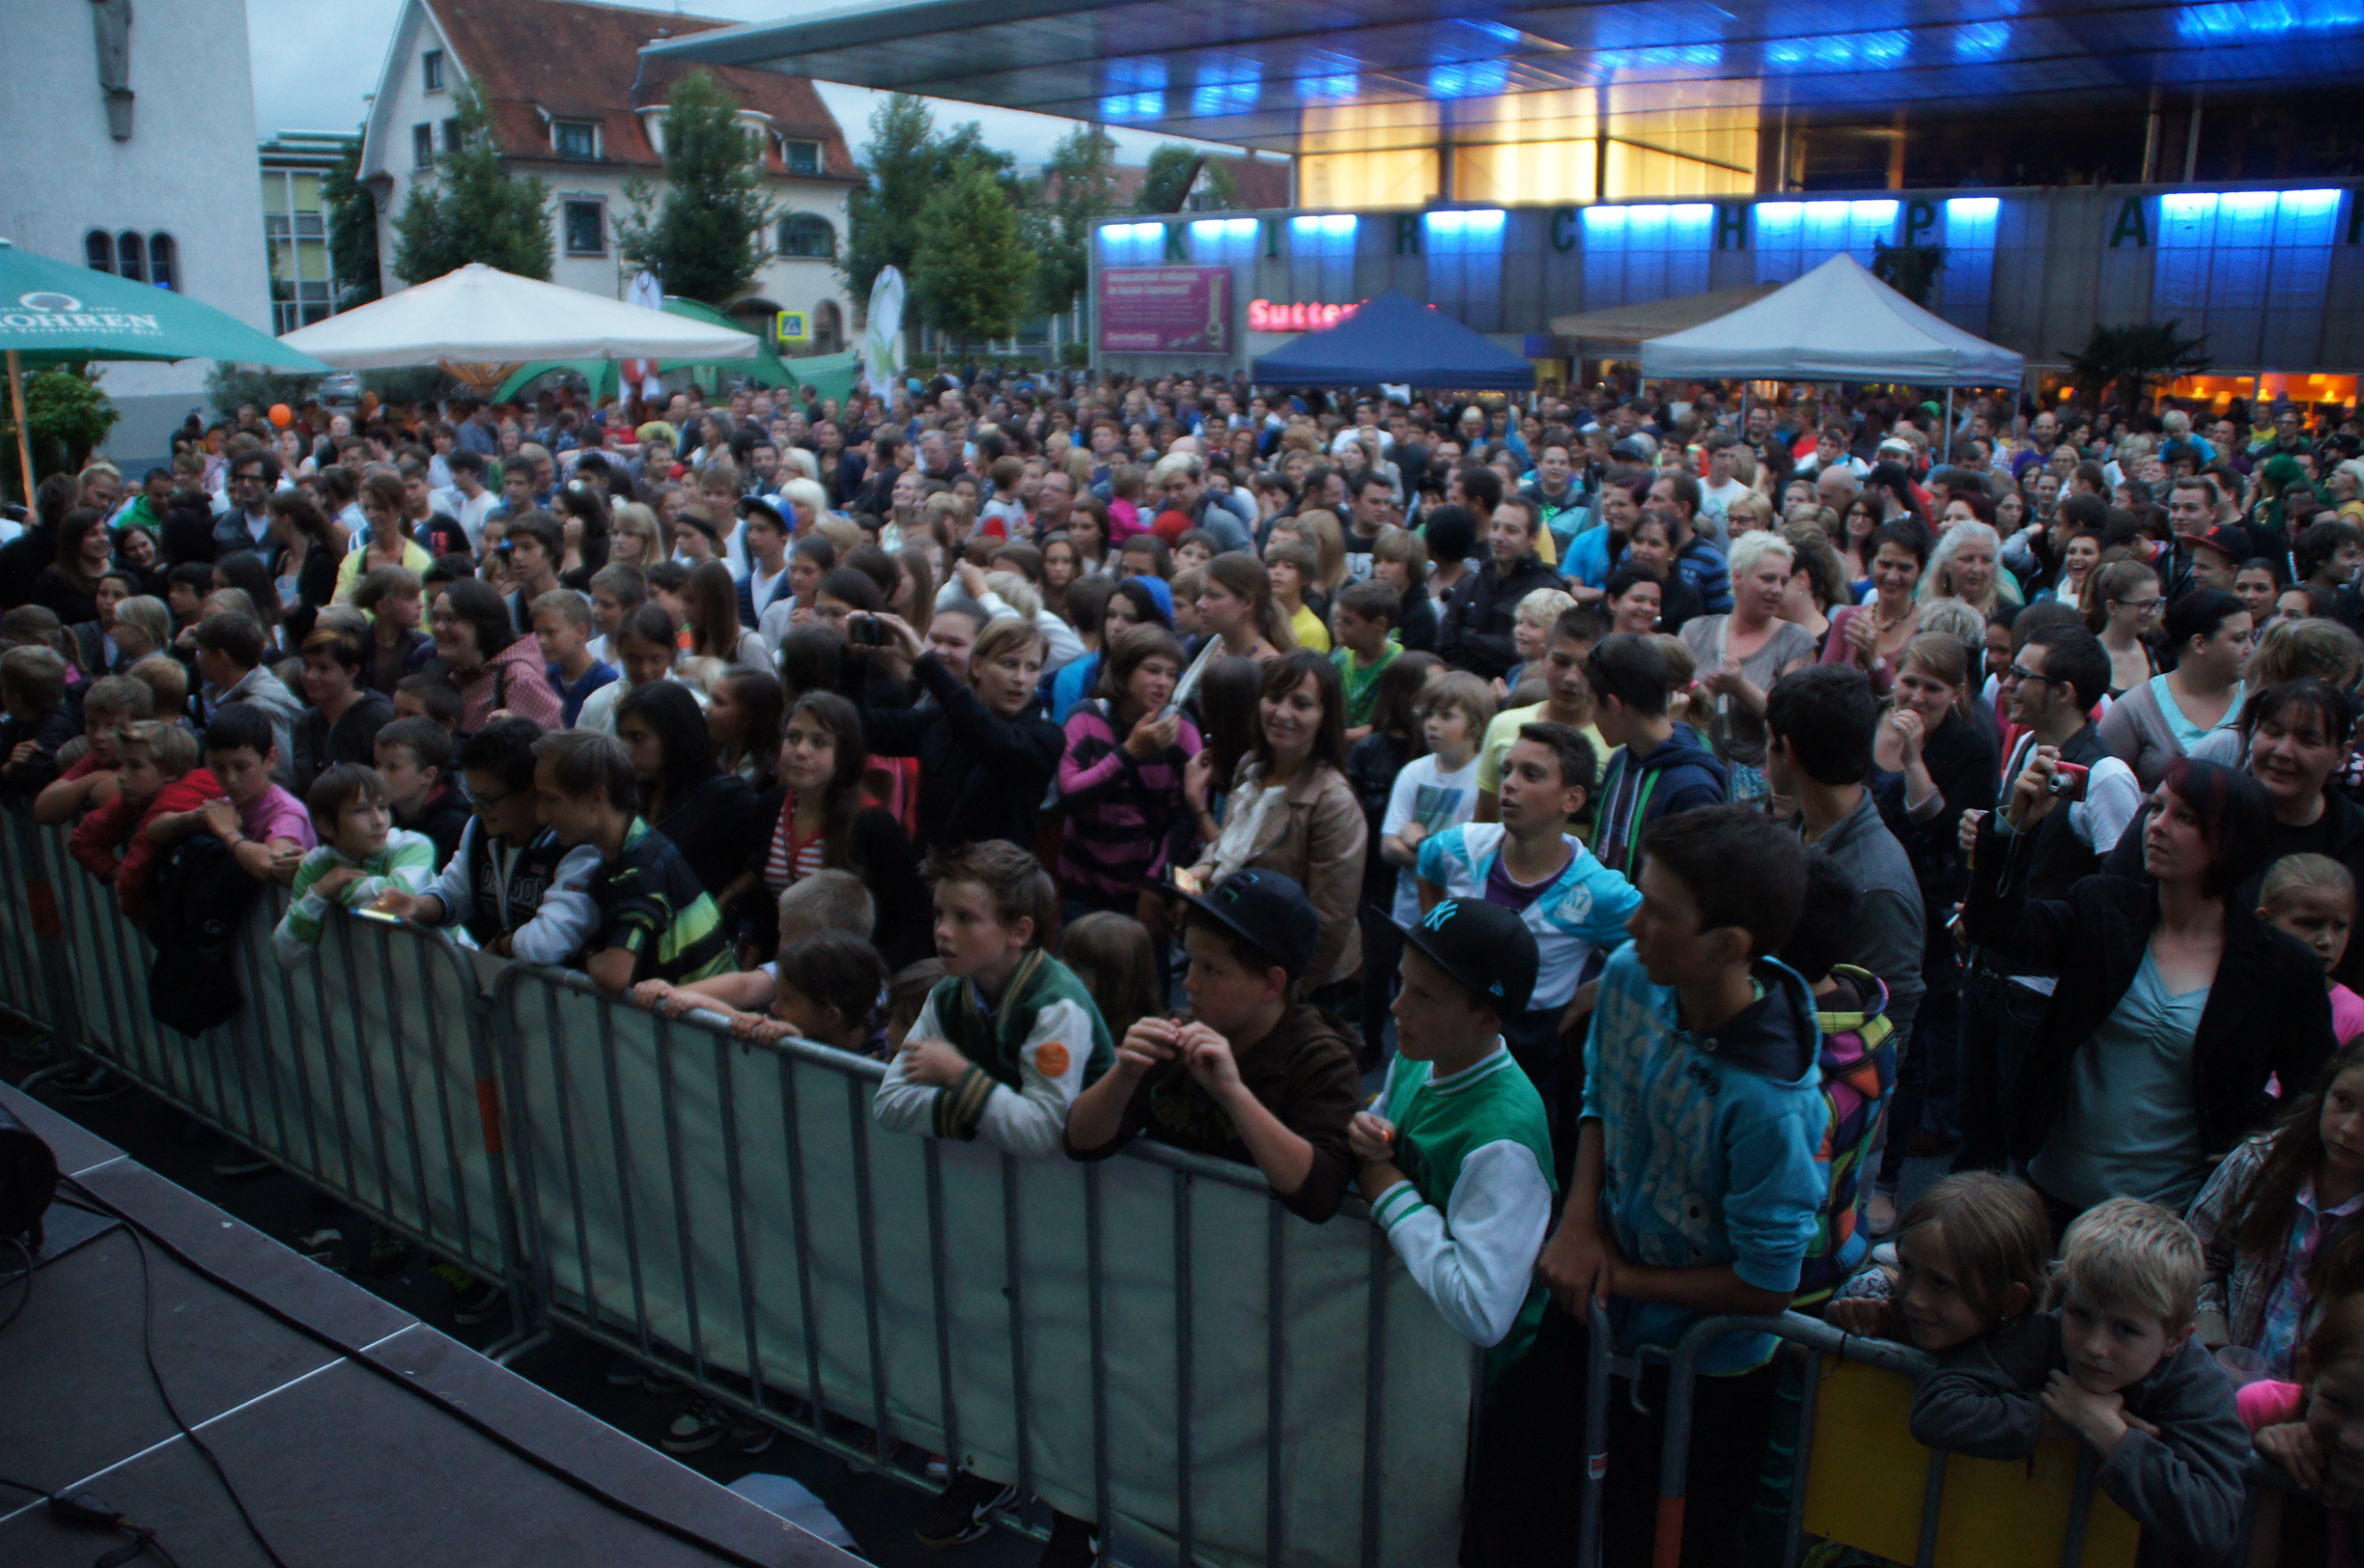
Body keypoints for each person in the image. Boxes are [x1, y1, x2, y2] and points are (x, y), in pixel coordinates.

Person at [1527, 806, 1821, 1568]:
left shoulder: (1770, 1105)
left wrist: (1623, 1279)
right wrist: (1579, 1223)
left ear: (1728, 946)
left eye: (1658, 913)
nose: (1632, 928)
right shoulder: (1632, 976)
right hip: (1597, 1314)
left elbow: (1767, 1284)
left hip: (1701, 1377)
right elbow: (1603, 1092)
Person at [1966, 756, 2331, 1219]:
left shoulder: (2281, 966)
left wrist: (2249, 1162)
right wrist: (2015, 826)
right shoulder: (2103, 907)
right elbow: (1997, 929)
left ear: (2231, 840)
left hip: (2168, 1221)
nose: (2156, 825)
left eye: (2185, 817)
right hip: (2050, 1191)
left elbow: (2310, 1098)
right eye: (2155, 807)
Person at [1909, 1198, 2248, 1568]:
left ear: (2176, 1339)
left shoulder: (2200, 1388)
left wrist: (2114, 1438)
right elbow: (1936, 1408)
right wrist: (2052, 1418)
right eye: (2080, 1314)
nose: (2093, 1346)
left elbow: (2214, 1525)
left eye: (2125, 1329)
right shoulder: (2050, 1332)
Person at [1067, 868, 1361, 1222]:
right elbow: (1081, 1142)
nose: (1189, 983)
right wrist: (1124, 1074)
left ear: (1271, 984)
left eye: (1211, 969)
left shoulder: (1322, 1062)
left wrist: (1233, 1094)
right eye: (1190, 960)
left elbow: (1320, 1195)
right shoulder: (1177, 1035)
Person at [1954, 624, 2141, 1174]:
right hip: (1990, 975)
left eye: (2022, 674)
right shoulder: (2028, 746)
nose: (2007, 682)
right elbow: (2018, 846)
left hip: (2038, 997)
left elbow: (2119, 895)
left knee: (2025, 1151)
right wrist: (1990, 833)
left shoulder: (2106, 776)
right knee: (1977, 1136)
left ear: (2063, 692)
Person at [1417, 720, 1639, 1131]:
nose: (1509, 784)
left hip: (1531, 1047)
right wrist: (1435, 939)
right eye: (1507, 770)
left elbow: (1655, 942)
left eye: (1531, 774)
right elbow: (1427, 864)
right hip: (1448, 1029)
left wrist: (1590, 995)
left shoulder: (1599, 890)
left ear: (1572, 799)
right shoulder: (1462, 846)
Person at [1863, 630, 1997, 1230]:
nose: (1916, 696)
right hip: (1857, 894)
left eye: (1933, 688)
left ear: (1957, 693)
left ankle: (1886, 1181)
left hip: (1921, 910)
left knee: (1904, 1049)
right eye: (1909, 681)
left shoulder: (1970, 748)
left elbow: (1942, 828)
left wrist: (1914, 757)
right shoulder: (1870, 720)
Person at [1186, 650, 1367, 1001]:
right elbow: (1231, 843)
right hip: (1243, 958)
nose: (1282, 713)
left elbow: (1328, 924)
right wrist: (1201, 870)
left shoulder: (1334, 802)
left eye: (1301, 704)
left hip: (1303, 983)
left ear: (1325, 717)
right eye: (1274, 698)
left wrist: (1286, 998)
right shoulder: (1250, 766)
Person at [1765, 663, 1927, 1058]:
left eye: (1767, 741)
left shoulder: (1877, 883)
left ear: (1788, 751)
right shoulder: (1794, 835)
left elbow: (1889, 1031)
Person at [2186, 1034, 2364, 1379]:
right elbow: (2193, 1254)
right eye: (2343, 1101)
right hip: (2219, 1378)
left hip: (2318, 1400)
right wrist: (2214, 1342)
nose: (2349, 1128)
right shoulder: (2258, 1164)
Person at [374, 716, 600, 962]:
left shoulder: (573, 842)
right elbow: (453, 892)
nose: (475, 809)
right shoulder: (480, 827)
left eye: (487, 800)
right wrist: (415, 906)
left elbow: (547, 943)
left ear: (532, 792)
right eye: (472, 796)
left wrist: (501, 945)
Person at [1779, 852, 1897, 1308]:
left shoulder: (1796, 1086)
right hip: (1842, 1243)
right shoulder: (1870, 1024)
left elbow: (1785, 1228)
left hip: (1791, 1284)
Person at [845, 611, 1063, 854]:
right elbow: (861, 729)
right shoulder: (941, 721)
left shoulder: (1046, 737)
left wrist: (926, 664)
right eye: (1009, 664)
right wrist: (854, 662)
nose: (1021, 678)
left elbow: (995, 742)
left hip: (995, 876)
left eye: (1032, 668)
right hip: (931, 870)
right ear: (977, 666)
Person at [530, 728, 729, 994]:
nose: (541, 816)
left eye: (551, 799)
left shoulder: (641, 869)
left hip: (707, 1014)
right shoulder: (627, 852)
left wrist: (586, 955)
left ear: (597, 797)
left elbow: (613, 974)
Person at [746, 690, 928, 966]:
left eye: (819, 743)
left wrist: (874, 975)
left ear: (844, 755)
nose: (801, 751)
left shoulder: (871, 824)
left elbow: (913, 917)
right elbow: (766, 909)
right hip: (783, 968)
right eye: (793, 737)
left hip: (847, 972)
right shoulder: (770, 806)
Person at [1055, 624, 1200, 922]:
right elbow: (1070, 795)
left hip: (1144, 890)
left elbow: (1188, 815)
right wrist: (1129, 753)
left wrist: (1155, 885)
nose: (1163, 683)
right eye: (1152, 671)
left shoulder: (1181, 728)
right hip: (1083, 887)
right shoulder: (1086, 717)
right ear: (1123, 673)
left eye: (1171, 674)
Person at [1585, 632, 1728, 882]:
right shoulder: (1620, 761)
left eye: (1591, 703)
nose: (1590, 715)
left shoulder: (1693, 790)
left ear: (1613, 706)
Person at [1679, 531, 1820, 778]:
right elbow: (1670, 700)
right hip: (1697, 774)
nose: (1777, 589)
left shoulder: (1796, 641)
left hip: (1762, 783)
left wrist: (1739, 687)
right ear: (1738, 577)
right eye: (1768, 579)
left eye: (1783, 581)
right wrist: (1701, 692)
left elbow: (1794, 720)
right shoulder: (1695, 631)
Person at [269, 765, 436, 966]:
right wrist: (319, 893)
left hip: (441, 970)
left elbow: (398, 897)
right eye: (361, 810)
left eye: (382, 807)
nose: (379, 821)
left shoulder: (411, 845)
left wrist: (344, 888)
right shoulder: (317, 866)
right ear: (326, 826)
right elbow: (285, 954)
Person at [613, 680, 755, 901]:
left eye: (638, 738)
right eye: (622, 738)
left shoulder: (727, 799)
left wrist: (724, 901)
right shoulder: (632, 794)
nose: (627, 750)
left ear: (673, 736)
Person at [2099, 589, 2254, 791]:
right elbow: (2099, 784)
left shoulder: (2255, 703)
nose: (2250, 649)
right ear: (2199, 644)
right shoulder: (2136, 709)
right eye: (2239, 639)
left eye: (2251, 637)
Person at [145, 705, 314, 886]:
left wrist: (227, 832)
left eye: (241, 767)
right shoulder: (229, 805)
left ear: (270, 759)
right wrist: (192, 816)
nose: (230, 779)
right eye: (219, 768)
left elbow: (271, 864)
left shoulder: (287, 812)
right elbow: (153, 832)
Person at [1439, 496, 1562, 681]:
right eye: (1495, 527)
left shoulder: (1549, 591)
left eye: (1511, 531)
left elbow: (1524, 652)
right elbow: (1445, 644)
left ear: (1533, 538)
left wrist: (1469, 638)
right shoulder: (1470, 583)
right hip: (1461, 684)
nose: (1498, 537)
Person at [430, 578, 563, 733]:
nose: (438, 627)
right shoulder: (457, 674)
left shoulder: (519, 680)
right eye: (435, 618)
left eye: (450, 619)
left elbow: (552, 742)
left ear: (483, 625)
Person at [191, 612, 300, 785]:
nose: (196, 658)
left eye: (201, 651)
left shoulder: (260, 707)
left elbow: (281, 776)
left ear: (220, 657)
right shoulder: (236, 696)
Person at [1822, 522, 1928, 693]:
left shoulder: (1927, 627)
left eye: (1904, 568)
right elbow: (1822, 683)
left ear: (1920, 572)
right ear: (1871, 565)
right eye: (1885, 565)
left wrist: (1874, 662)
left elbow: (1910, 697)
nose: (1892, 577)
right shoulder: (1848, 618)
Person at [289, 626, 394, 795]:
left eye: (323, 668)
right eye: (306, 666)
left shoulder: (378, 718)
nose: (310, 676)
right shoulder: (306, 722)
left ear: (352, 671)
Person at [374, 715, 469, 866]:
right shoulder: (384, 811)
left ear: (428, 775)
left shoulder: (452, 826)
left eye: (392, 767)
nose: (378, 775)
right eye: (377, 764)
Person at [1327, 579, 1401, 741]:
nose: (1339, 627)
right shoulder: (1339, 659)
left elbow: (1392, 724)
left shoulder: (1398, 666)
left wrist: (1336, 736)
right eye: (1337, 620)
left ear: (1380, 624)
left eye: (1348, 622)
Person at [2085, 557, 2166, 700]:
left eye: (2156, 604)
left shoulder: (2156, 656)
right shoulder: (2085, 658)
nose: (2152, 612)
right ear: (2113, 607)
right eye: (2144, 605)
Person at [533, 590, 616, 727]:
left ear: (581, 631)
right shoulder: (546, 676)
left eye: (550, 632)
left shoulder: (605, 682)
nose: (541, 641)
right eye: (538, 633)